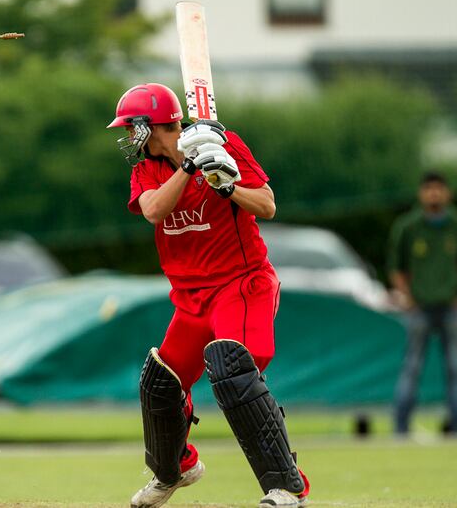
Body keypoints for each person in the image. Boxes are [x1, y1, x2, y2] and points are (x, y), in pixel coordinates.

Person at [108, 83, 310, 508]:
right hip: (189, 296)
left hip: (242, 285)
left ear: (151, 124)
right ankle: (175, 469)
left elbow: (267, 206)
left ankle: (287, 486)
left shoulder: (225, 143)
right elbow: (153, 211)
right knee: (160, 382)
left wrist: (226, 186)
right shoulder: (148, 168)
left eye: (132, 128)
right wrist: (190, 168)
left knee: (231, 368)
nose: (128, 138)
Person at [388, 171, 457, 436]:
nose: (434, 194)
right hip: (420, 310)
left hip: (449, 308)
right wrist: (408, 297)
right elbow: (395, 267)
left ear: (447, 193)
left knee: (455, 369)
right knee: (412, 368)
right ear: (421, 193)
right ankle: (401, 428)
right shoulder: (409, 227)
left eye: (439, 189)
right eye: (429, 189)